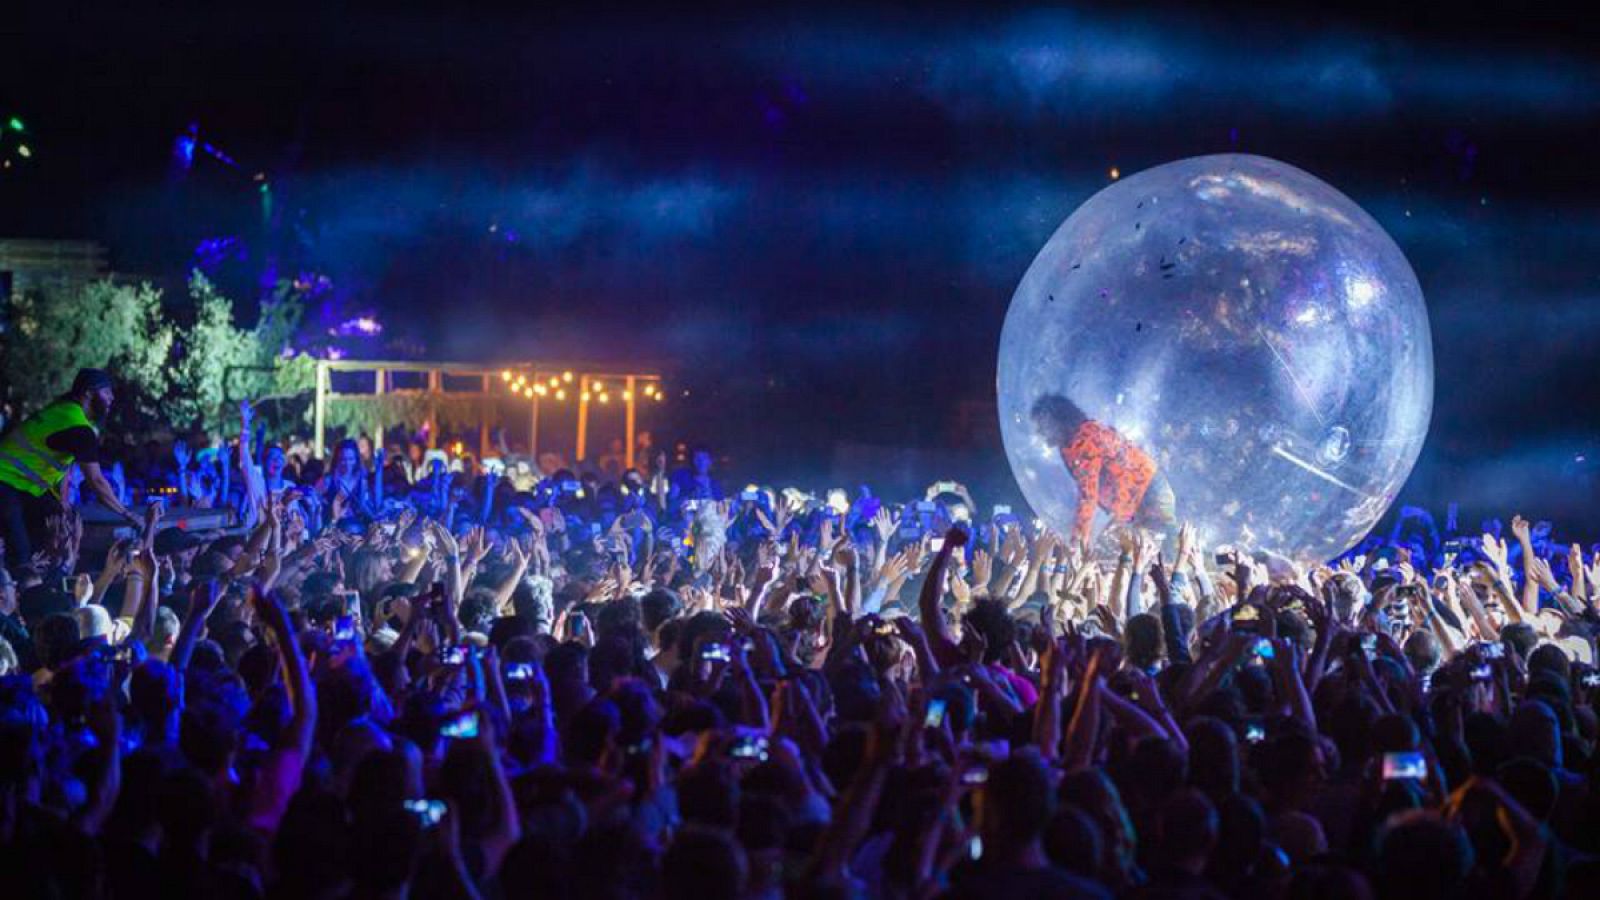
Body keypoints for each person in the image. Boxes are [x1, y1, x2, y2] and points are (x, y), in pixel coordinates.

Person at [0, 368, 142, 567]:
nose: (112, 398)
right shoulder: (79, 428)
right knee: (21, 554)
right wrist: (126, 513)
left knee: (54, 530)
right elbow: (96, 481)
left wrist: (63, 501)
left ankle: (33, 575)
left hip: (17, 484)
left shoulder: (64, 411)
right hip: (6, 483)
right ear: (88, 393)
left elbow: (65, 464)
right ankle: (20, 586)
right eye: (107, 392)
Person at [1031, 393, 1176, 548]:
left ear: (1058, 422)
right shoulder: (1071, 443)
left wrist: (1077, 543)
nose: (1039, 432)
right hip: (1137, 499)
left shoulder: (1083, 441)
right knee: (1149, 552)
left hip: (1147, 493)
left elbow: (1088, 495)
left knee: (1169, 548)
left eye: (1042, 425)